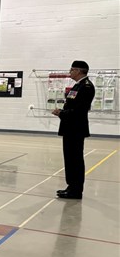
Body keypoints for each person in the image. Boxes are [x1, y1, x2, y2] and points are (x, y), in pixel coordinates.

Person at [52, 60, 95, 200]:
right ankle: (71, 187)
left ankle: (76, 190)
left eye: (71, 70)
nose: (70, 72)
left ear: (78, 71)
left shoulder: (86, 87)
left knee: (75, 159)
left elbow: (80, 110)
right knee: (69, 158)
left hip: (76, 128)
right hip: (70, 127)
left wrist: (62, 114)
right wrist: (62, 113)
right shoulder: (78, 85)